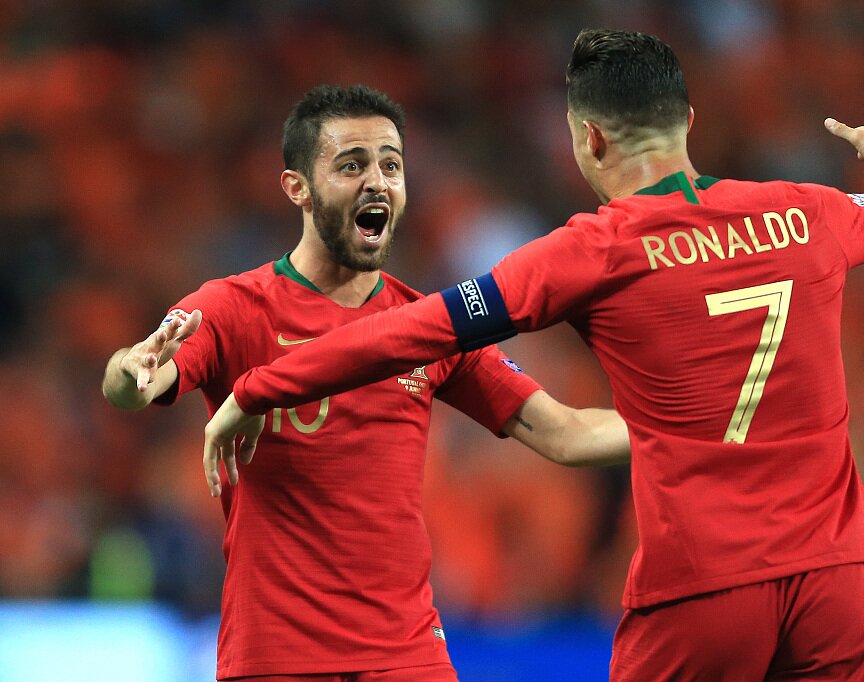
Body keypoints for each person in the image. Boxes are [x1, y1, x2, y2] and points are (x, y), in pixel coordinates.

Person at [205, 29, 864, 681]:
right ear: (687, 121)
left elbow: (407, 332)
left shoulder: (591, 252)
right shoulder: (805, 212)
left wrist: (260, 388)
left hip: (708, 582)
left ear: (589, 139)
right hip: (840, 579)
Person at [102, 84, 630, 682]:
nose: (378, 182)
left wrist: (700, 423)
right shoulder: (233, 308)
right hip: (277, 656)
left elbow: (568, 434)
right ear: (297, 187)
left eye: (391, 166)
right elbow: (135, 385)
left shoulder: (429, 326)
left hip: (407, 656)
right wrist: (131, 367)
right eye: (352, 165)